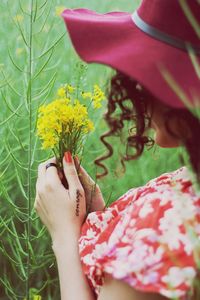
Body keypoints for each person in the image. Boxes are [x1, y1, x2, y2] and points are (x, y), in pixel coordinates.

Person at [34, 0, 200, 299]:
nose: (137, 92)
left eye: (145, 77)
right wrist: (101, 220)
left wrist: (64, 236)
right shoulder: (187, 188)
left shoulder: (172, 222)